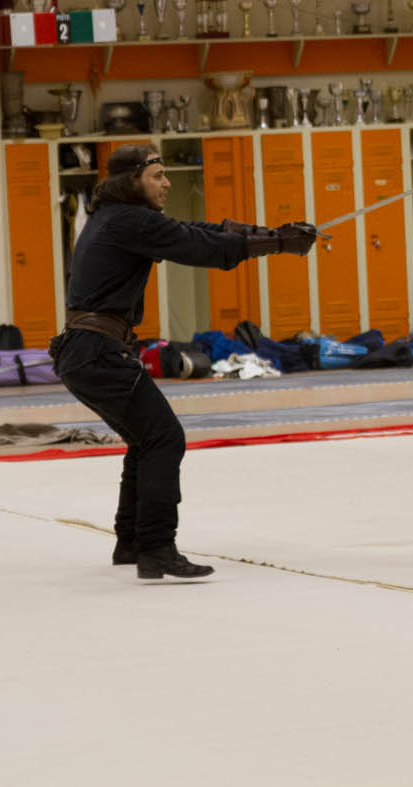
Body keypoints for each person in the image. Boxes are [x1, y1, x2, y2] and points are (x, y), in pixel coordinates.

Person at [50, 143, 316, 581]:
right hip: (96, 350)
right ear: (131, 180)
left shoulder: (116, 218)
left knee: (146, 439)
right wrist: (277, 244)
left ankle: (132, 543)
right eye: (157, 175)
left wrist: (269, 234)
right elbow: (196, 245)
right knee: (164, 438)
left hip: (86, 350)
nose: (167, 183)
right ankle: (156, 549)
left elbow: (193, 229)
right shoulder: (130, 221)